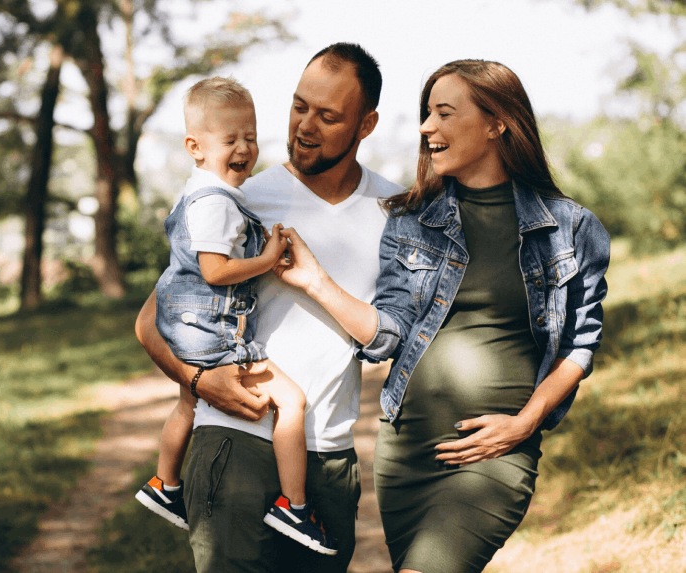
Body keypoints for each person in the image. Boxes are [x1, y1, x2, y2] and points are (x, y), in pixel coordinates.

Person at [274, 59, 610, 573]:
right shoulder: (410, 220)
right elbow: (388, 334)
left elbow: (579, 345)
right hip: (406, 454)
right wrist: (317, 283)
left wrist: (525, 423)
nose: (426, 127)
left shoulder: (570, 228)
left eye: (445, 113)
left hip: (494, 455)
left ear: (497, 124)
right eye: (427, 113)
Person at [135, 43, 404, 573]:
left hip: (329, 459)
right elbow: (151, 322)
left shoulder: (395, 211)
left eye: (328, 116)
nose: (305, 126)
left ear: (366, 124)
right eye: (299, 106)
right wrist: (198, 381)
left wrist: (319, 283)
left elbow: (391, 336)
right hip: (234, 443)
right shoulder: (238, 198)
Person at [134, 76, 336, 556]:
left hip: (185, 329)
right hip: (212, 335)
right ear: (195, 147)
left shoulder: (198, 193)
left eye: (251, 136)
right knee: (292, 401)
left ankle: (164, 483)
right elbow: (215, 270)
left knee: (188, 403)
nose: (244, 148)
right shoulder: (217, 204)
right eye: (230, 140)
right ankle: (294, 505)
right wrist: (266, 260)